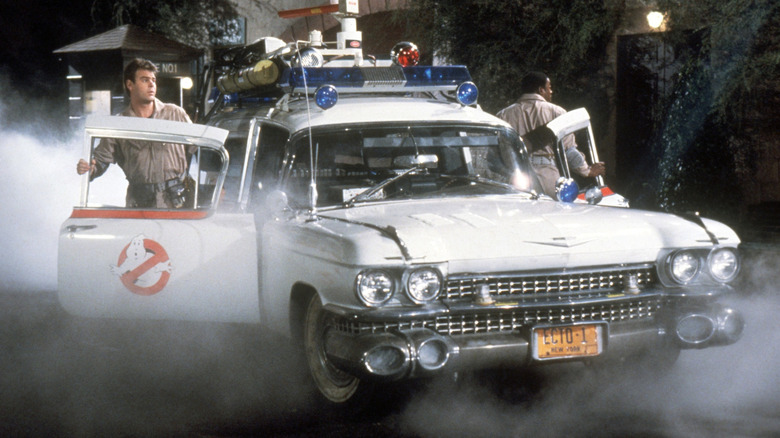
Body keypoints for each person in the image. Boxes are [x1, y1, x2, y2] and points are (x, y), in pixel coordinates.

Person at [76, 58, 194, 208]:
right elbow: (100, 160)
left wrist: (216, 183)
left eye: (153, 80)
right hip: (140, 202)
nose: (152, 84)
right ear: (130, 84)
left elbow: (199, 148)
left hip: (177, 199)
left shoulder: (175, 114)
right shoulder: (120, 124)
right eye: (145, 80)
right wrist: (89, 168)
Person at [497, 71, 605, 198]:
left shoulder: (503, 114)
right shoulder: (557, 112)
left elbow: (497, 150)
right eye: (549, 88)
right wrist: (587, 171)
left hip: (516, 177)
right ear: (541, 90)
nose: (551, 91)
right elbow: (569, 151)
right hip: (548, 176)